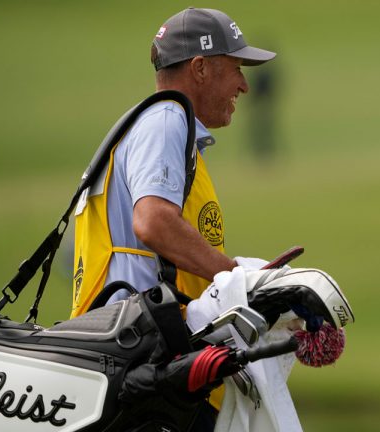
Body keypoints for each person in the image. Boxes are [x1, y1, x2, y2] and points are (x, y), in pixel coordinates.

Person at [70, 7, 276, 430]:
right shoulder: (167, 120)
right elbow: (154, 222)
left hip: (132, 353)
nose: (243, 85)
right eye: (236, 67)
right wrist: (235, 279)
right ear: (200, 68)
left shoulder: (161, 124)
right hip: (140, 358)